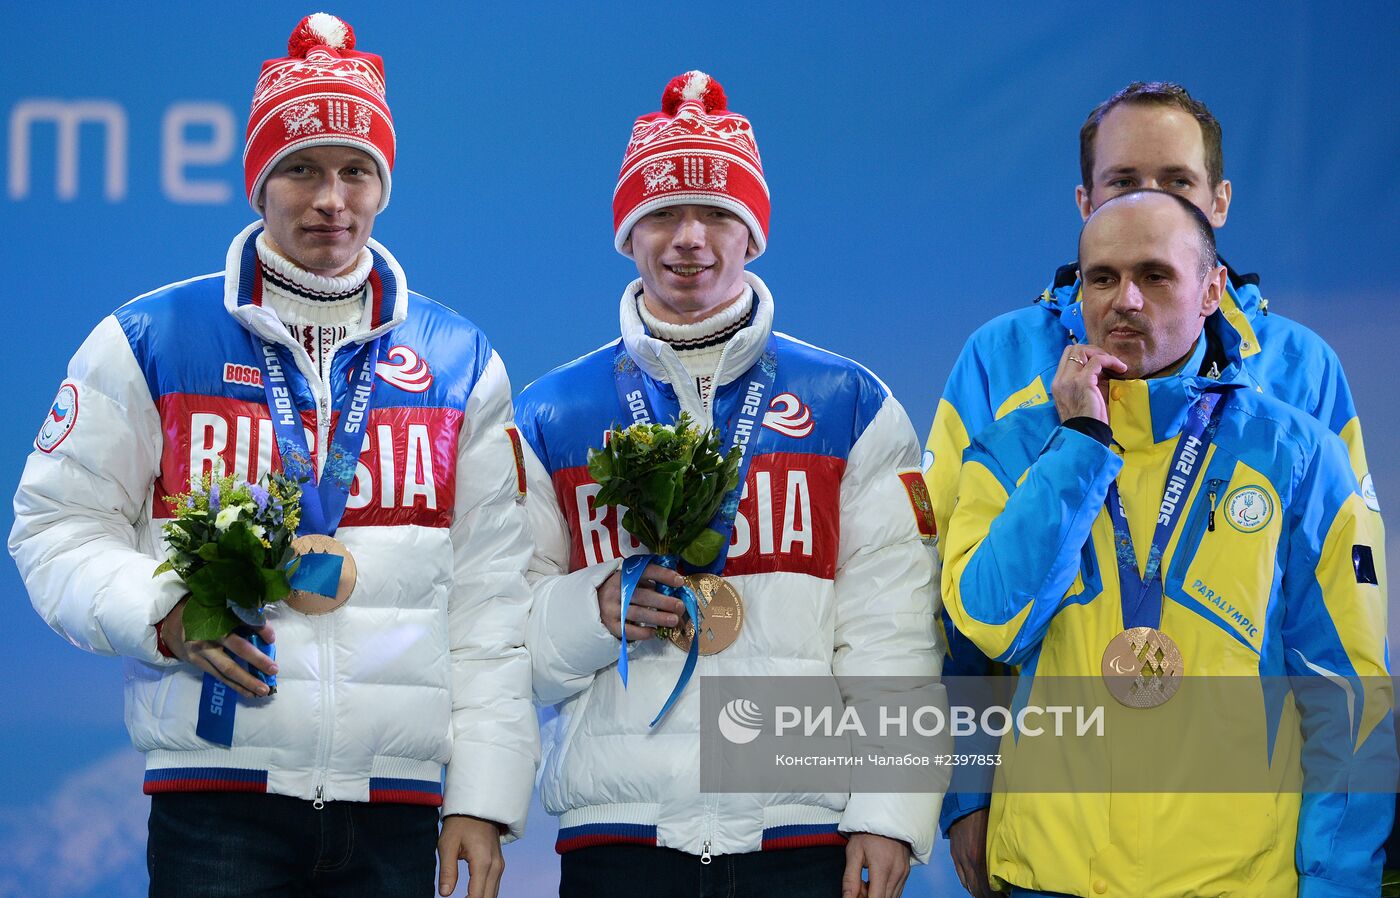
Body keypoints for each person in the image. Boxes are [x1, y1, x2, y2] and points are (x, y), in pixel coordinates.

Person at [9, 14, 536, 898]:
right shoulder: (148, 339)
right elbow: (53, 529)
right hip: (218, 798)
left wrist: (483, 798)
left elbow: (492, 597)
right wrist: (166, 613)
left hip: (396, 806)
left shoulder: (460, 361)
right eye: (302, 168)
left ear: (383, 185)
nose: (332, 197)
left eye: (355, 170)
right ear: (259, 182)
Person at [925, 81, 1385, 897]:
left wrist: (1339, 877)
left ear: (1216, 212)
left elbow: (1342, 666)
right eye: (1104, 274)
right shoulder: (1005, 386)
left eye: (1173, 184)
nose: (1126, 299)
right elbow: (962, 614)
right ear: (1083, 207)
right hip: (1054, 851)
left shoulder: (1300, 405)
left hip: (1234, 860)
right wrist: (967, 790)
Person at [515, 71, 942, 898]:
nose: (689, 239)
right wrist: (588, 611)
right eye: (662, 213)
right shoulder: (552, 413)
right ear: (627, 235)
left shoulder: (851, 406)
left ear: (753, 234)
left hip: (799, 835)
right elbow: (501, 643)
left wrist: (890, 813)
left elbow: (893, 637)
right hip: (619, 837)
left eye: (716, 213)